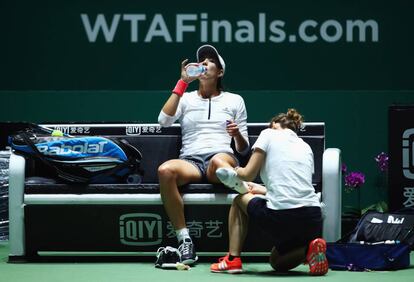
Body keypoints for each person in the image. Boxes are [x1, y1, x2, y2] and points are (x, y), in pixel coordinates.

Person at [157, 45, 249, 265]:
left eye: (210, 61)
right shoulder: (186, 98)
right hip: (191, 161)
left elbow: (243, 148)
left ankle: (242, 186)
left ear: (220, 72)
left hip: (221, 156)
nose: (204, 63)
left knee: (219, 162)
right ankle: (185, 240)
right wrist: (182, 83)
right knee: (165, 170)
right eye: (201, 61)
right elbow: (163, 121)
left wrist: (236, 135)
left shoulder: (235, 100)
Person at [211, 109, 328, 275]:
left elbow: (248, 174)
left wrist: (232, 169)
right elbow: (296, 186)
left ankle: (232, 260)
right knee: (276, 262)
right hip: (312, 218)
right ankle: (309, 250)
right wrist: (263, 190)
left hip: (282, 216)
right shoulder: (305, 146)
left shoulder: (268, 133)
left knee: (238, 200)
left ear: (274, 124)